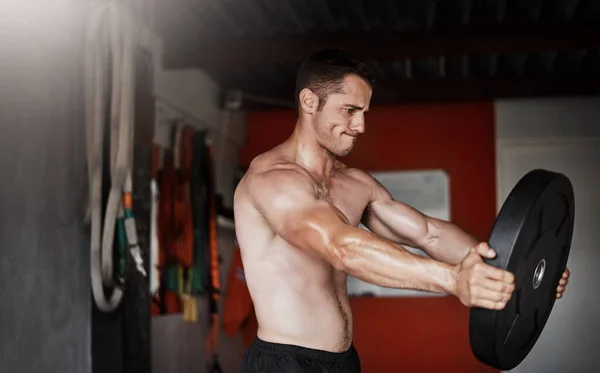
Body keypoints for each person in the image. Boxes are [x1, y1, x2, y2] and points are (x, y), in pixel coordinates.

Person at [232, 49, 570, 373]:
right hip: (283, 363)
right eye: (349, 110)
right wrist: (452, 279)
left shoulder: (354, 184)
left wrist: (511, 270)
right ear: (309, 102)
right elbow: (342, 246)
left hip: (343, 362)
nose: (360, 126)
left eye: (364, 113)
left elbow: (428, 232)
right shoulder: (272, 180)